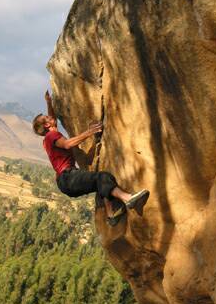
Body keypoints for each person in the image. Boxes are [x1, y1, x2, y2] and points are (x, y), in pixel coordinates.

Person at [32, 91, 150, 226]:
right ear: (47, 125)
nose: (49, 116)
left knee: (100, 183)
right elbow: (67, 144)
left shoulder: (49, 136)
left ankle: (111, 217)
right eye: (46, 117)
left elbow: (52, 120)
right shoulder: (51, 137)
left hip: (65, 182)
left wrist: (49, 102)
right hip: (68, 177)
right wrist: (90, 132)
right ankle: (128, 199)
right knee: (102, 177)